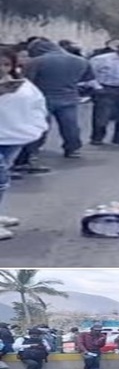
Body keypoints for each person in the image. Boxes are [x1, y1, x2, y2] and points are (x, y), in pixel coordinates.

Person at [0, 49, 49, 241]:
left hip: (13, 137)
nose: (1, 68)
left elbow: (36, 105)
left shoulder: (22, 84)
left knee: (3, 179)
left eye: (6, 64)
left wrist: (35, 127)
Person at [21, 38, 90, 159]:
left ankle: (33, 151)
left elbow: (27, 81)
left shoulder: (36, 62)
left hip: (42, 98)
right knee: (70, 126)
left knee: (40, 126)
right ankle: (73, 149)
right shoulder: (81, 61)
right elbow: (86, 80)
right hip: (69, 97)